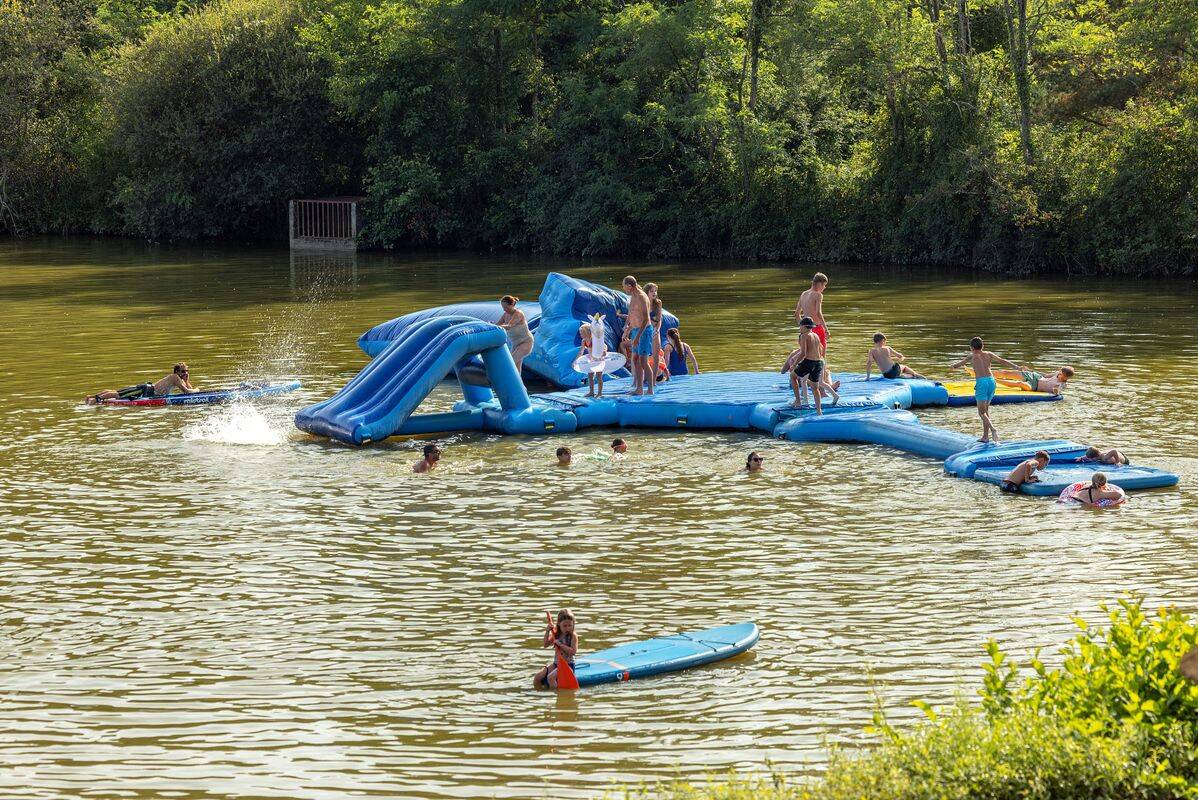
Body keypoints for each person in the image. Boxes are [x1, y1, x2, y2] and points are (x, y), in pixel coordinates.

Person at [949, 337, 1023, 443]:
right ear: (982, 346)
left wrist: (952, 366)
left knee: (981, 412)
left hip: (982, 383)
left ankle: (993, 429)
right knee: (986, 410)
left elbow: (959, 364)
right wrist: (1016, 367)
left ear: (971, 348)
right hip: (992, 381)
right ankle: (985, 437)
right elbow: (1002, 361)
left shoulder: (972, 356)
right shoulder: (989, 354)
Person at [86, 362, 199, 404]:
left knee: (116, 392)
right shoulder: (175, 377)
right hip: (145, 390)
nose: (185, 373)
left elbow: (187, 389)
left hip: (147, 391)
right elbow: (187, 392)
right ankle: (94, 400)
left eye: (187, 371)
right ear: (177, 372)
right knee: (117, 394)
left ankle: (91, 397)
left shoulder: (178, 379)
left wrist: (187, 380)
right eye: (183, 371)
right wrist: (197, 390)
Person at [791, 317, 834, 412]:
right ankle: (819, 411)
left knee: (792, 376)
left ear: (805, 326)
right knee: (815, 387)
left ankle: (798, 401)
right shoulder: (815, 335)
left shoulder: (804, 336)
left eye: (800, 326)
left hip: (809, 362)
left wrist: (794, 364)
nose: (799, 328)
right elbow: (821, 349)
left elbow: (803, 353)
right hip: (818, 362)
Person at [622, 276, 654, 396]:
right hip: (635, 330)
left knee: (643, 361)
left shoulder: (641, 297)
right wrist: (627, 330)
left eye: (624, 286)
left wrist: (637, 337)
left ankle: (650, 389)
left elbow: (646, 319)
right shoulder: (632, 297)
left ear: (629, 286)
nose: (624, 288)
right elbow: (632, 315)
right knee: (635, 360)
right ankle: (639, 388)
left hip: (644, 331)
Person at [533, 609, 579, 690]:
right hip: (556, 664)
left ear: (573, 624)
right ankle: (537, 694)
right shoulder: (557, 634)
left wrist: (560, 645)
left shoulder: (573, 636)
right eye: (564, 626)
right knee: (537, 677)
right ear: (559, 624)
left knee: (550, 678)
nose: (567, 628)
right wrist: (547, 631)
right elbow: (545, 645)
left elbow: (573, 652)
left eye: (570, 625)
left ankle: (556, 695)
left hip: (568, 665)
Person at [497, 295, 534, 376]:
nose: (504, 309)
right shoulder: (505, 314)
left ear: (512, 305)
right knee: (516, 367)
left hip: (526, 342)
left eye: (506, 307)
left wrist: (497, 326)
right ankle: (520, 387)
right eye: (503, 307)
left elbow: (509, 326)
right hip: (516, 344)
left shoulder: (518, 313)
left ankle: (503, 382)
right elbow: (497, 325)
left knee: (510, 363)